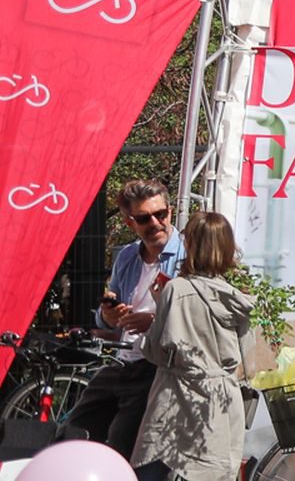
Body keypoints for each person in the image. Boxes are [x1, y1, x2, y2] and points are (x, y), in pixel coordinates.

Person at [128, 213, 252, 481]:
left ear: (192, 245)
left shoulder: (177, 290)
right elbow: (244, 353)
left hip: (177, 397)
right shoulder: (237, 299)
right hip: (221, 401)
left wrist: (160, 304)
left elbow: (155, 351)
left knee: (153, 469)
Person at [65, 179, 183, 456]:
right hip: (120, 360)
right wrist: (108, 316)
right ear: (131, 223)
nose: (155, 223)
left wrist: (151, 324)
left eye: (160, 214)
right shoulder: (128, 256)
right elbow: (106, 320)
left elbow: (196, 320)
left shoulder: (186, 256)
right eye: (144, 218)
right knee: (74, 433)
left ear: (170, 211)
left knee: (122, 444)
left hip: (155, 366)